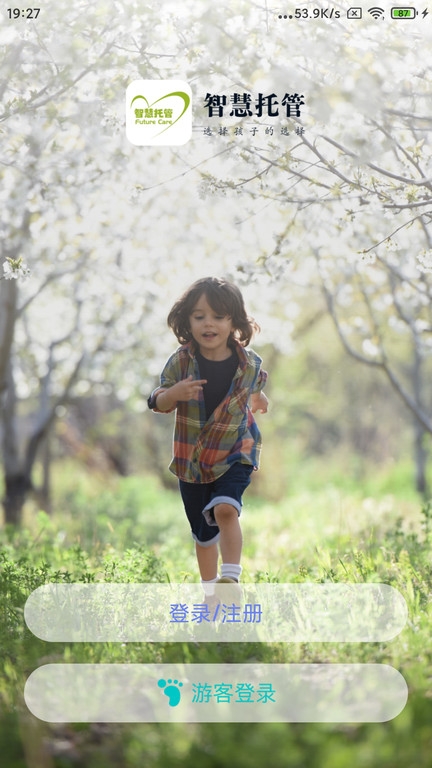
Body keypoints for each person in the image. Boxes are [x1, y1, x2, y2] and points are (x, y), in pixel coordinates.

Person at [147, 277, 268, 596]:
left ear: (234, 322)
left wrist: (260, 400)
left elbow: (255, 389)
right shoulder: (182, 362)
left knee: (225, 508)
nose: (208, 323)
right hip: (193, 461)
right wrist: (173, 393)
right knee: (203, 535)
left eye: (218, 316)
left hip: (235, 452)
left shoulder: (250, 363)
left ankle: (231, 579)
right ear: (187, 321)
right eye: (199, 316)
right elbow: (156, 400)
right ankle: (209, 590)